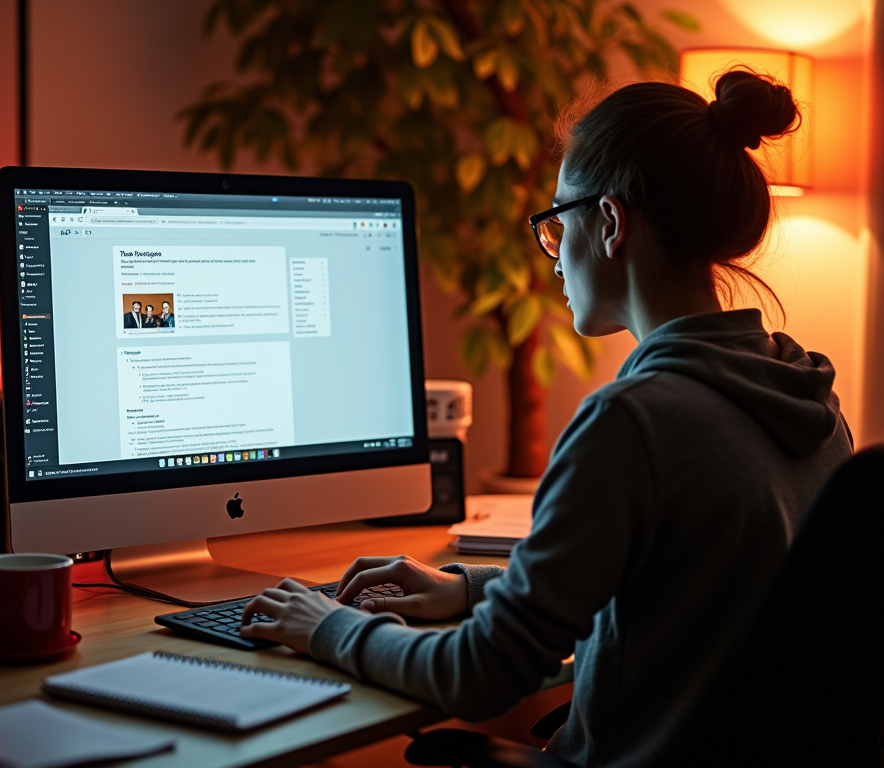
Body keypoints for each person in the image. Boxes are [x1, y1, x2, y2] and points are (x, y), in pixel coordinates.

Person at [239, 71, 854, 766]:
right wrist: (468, 588)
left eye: (559, 222)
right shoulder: (809, 395)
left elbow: (479, 677)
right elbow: (684, 582)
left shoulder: (633, 423)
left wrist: (327, 627)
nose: (555, 256)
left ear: (612, 224)